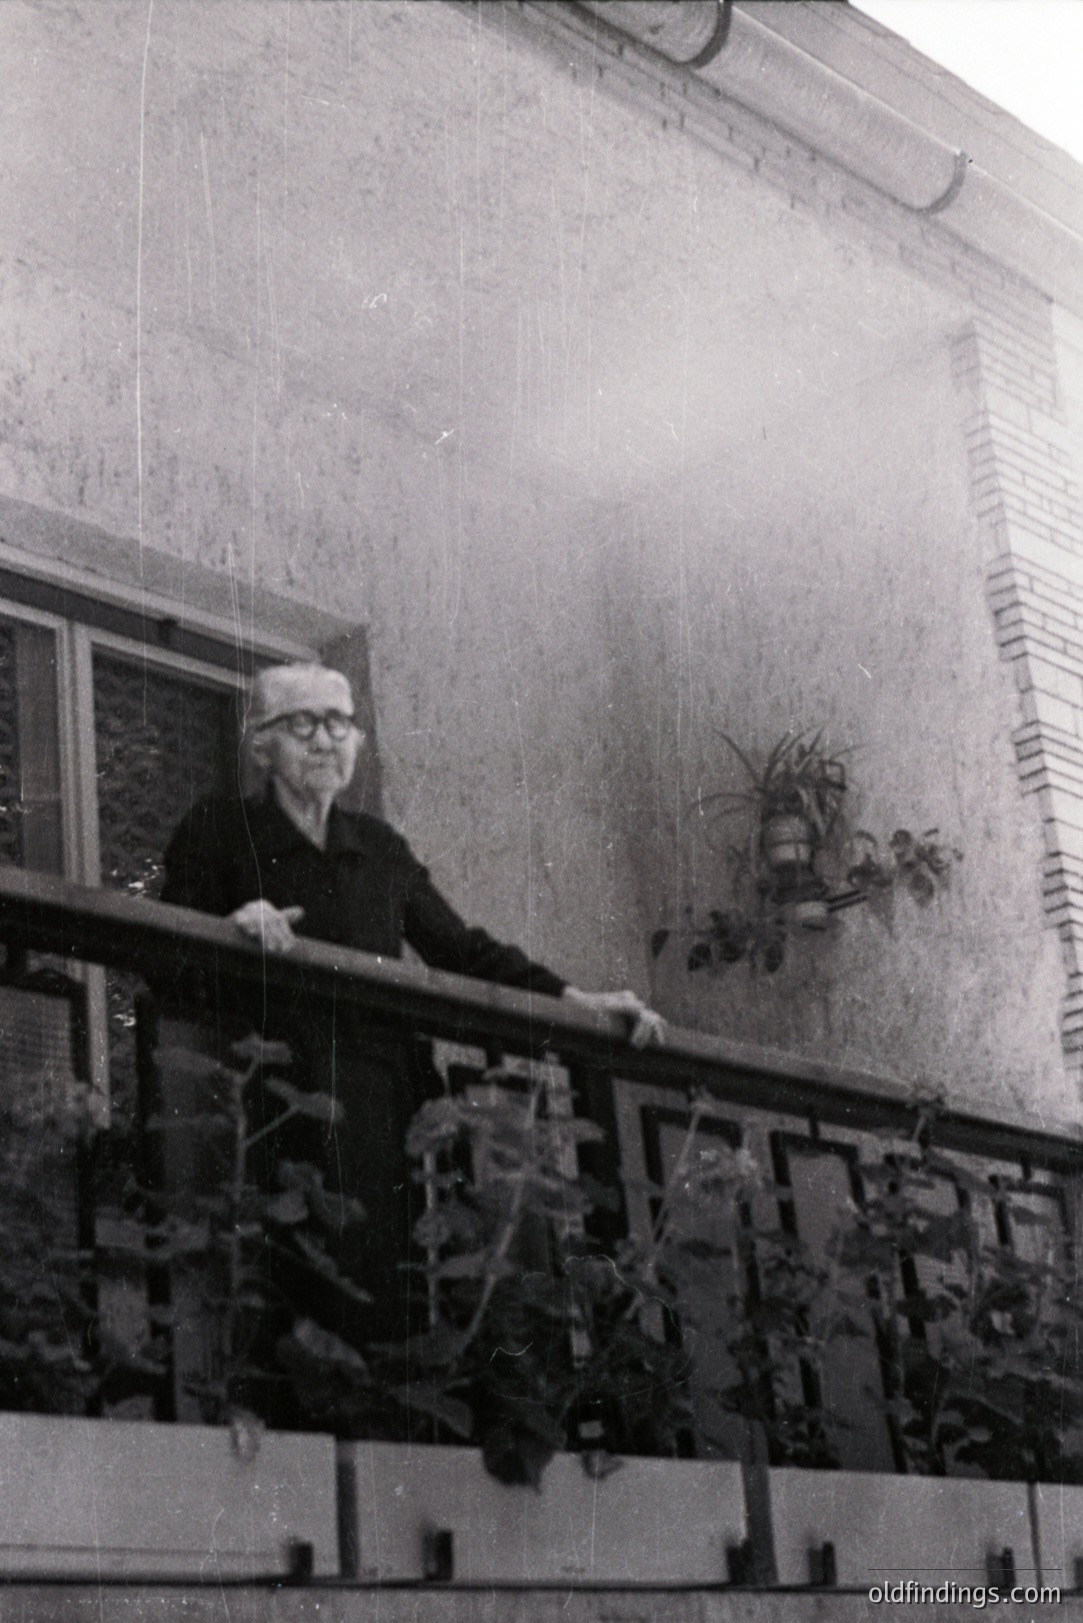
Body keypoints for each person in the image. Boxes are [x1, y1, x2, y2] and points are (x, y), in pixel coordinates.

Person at [159, 662, 663, 1349]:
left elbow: (462, 949)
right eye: (301, 724)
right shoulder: (219, 829)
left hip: (376, 1093)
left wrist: (574, 998)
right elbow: (167, 962)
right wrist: (232, 928)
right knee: (286, 1288)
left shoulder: (378, 848)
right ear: (260, 746)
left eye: (338, 722)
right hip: (270, 1095)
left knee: (375, 1284)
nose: (324, 739)